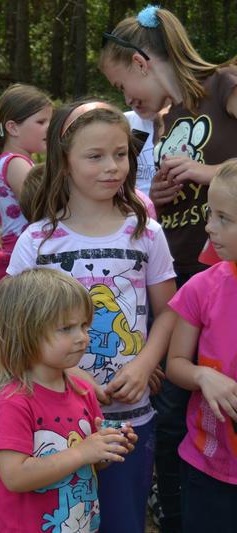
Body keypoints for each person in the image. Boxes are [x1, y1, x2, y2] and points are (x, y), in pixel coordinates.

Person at [7, 100, 178, 532]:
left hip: (129, 420)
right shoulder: (38, 241)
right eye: (95, 156)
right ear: (64, 161)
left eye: (120, 154)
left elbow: (168, 312)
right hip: (54, 423)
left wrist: (144, 364)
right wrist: (76, 379)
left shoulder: (146, 234)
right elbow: (12, 326)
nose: (112, 167)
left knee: (122, 519)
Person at [99, 6, 237, 529]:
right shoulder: (167, 117)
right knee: (177, 411)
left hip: (224, 277)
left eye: (123, 85)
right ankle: (184, 513)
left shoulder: (223, 87)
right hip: (183, 280)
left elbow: (216, 176)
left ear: (141, 61)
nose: (126, 99)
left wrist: (206, 171)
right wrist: (159, 194)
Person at [0, 268, 138, 533]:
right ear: (25, 332)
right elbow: (15, 476)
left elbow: (90, 463)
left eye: (84, 326)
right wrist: (82, 451)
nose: (82, 337)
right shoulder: (13, 403)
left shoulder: (82, 391)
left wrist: (108, 447)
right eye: (66, 328)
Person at [166, 159, 237, 532]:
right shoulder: (201, 288)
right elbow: (176, 363)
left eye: (224, 218)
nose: (210, 226)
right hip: (208, 467)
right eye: (211, 213)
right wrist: (202, 376)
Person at [0, 83, 51, 379]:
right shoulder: (18, 164)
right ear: (13, 127)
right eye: (41, 122)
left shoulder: (11, 160)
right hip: (20, 261)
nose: (48, 128)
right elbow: (43, 207)